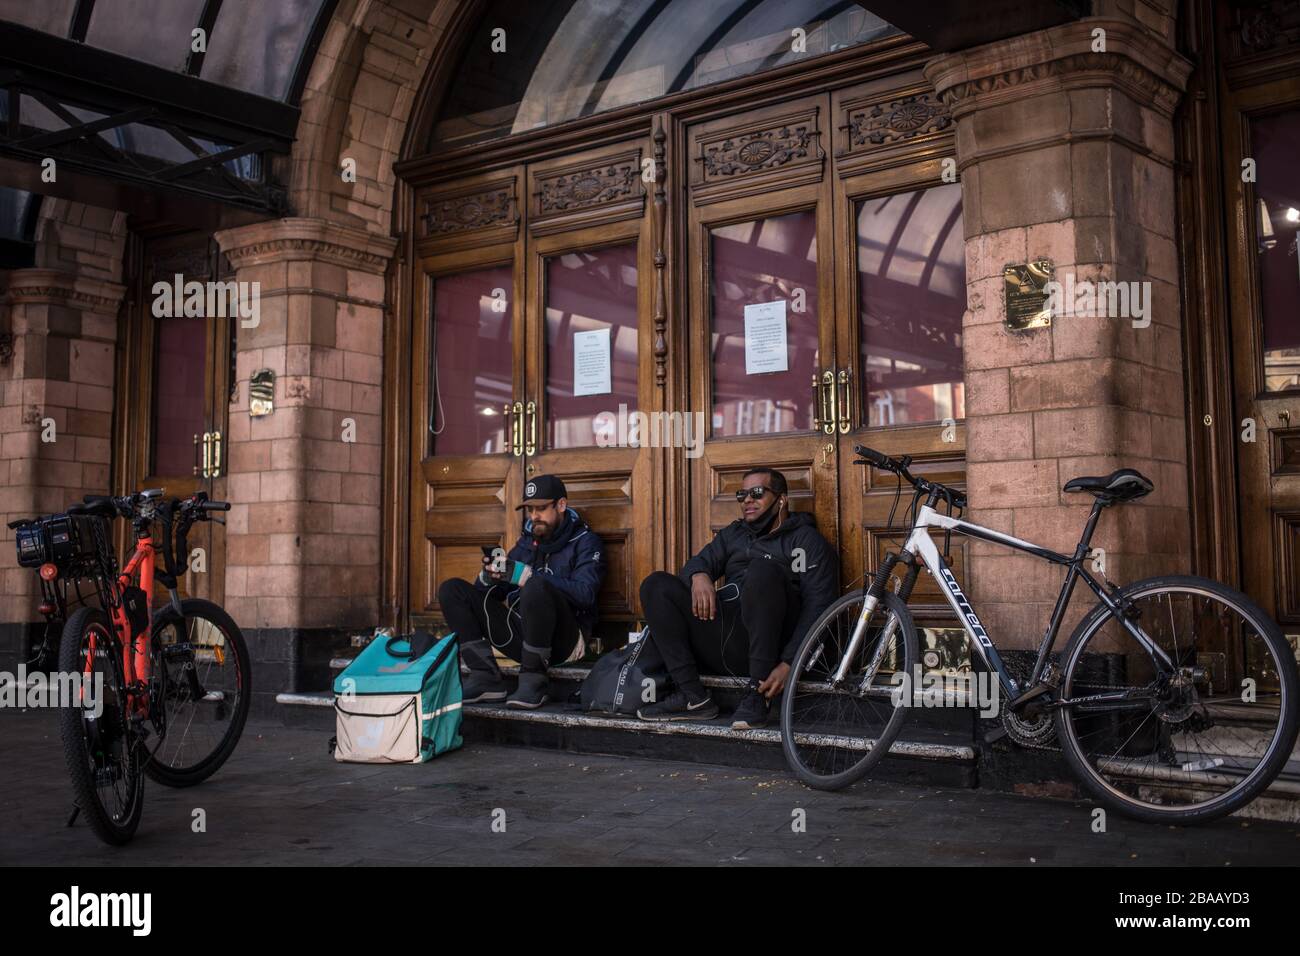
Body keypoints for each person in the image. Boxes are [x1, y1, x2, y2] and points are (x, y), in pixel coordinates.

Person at [637, 467, 838, 729]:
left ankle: (757, 694)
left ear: (781, 499)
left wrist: (791, 662)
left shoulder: (807, 540)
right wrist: (699, 575)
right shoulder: (734, 535)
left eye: (756, 493)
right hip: (729, 641)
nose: (747, 500)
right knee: (656, 585)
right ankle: (693, 697)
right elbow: (698, 562)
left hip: (774, 650)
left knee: (762, 570)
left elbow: (819, 607)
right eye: (742, 494)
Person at [437, 475, 606, 710]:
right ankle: (485, 677)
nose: (534, 516)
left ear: (561, 505)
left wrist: (529, 577)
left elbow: (585, 593)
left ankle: (534, 681)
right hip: (524, 637)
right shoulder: (527, 542)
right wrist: (488, 576)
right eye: (530, 509)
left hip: (565, 642)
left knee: (535, 585)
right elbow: (486, 598)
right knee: (452, 590)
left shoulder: (586, 541)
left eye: (541, 508)